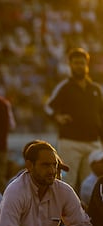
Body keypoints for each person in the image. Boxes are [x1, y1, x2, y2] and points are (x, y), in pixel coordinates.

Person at [45, 48, 103, 191]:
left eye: (82, 63)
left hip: (93, 144)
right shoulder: (64, 87)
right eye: (76, 63)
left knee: (92, 186)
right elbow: (48, 107)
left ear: (87, 65)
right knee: (66, 183)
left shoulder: (96, 89)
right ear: (70, 65)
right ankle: (63, 213)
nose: (79, 66)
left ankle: (89, 214)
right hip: (70, 142)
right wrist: (57, 116)